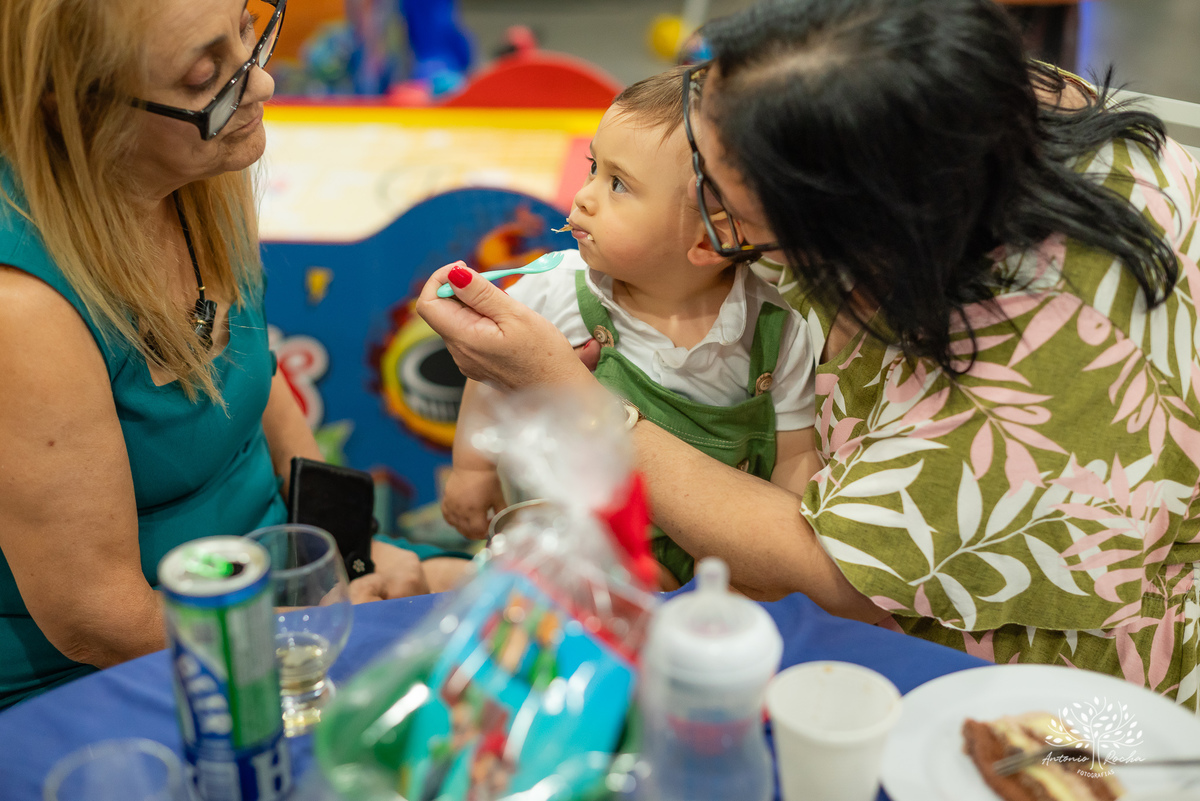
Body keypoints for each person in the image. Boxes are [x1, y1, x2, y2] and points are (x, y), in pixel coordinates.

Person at [417, 0, 1200, 709]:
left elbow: (833, 568)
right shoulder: (952, 110)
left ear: (865, 232)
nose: (734, 252)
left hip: (1067, 711)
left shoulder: (1033, 377)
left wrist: (568, 393)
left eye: (735, 229)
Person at [0, 0, 431, 711]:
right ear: (75, 108)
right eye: (207, 75)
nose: (259, 84)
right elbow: (97, 619)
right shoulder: (24, 306)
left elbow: (260, 388)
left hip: (271, 593)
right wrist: (311, 638)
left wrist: (353, 551)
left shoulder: (196, 168)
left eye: (246, 27)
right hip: (117, 672)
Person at [440, 66, 819, 589]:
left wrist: (766, 580)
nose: (583, 197)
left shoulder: (777, 334)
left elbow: (796, 455)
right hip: (563, 561)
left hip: (709, 578)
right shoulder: (550, 292)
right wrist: (473, 470)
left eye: (618, 184)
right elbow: (490, 375)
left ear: (712, 239)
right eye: (594, 167)